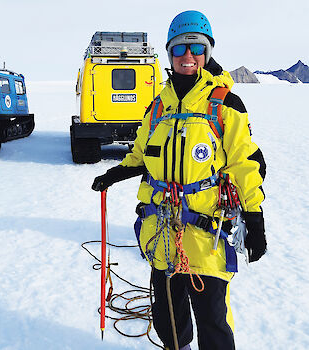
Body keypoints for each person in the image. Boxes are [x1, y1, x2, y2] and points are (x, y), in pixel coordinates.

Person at [92, 10, 267, 350]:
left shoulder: (226, 105)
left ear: (208, 53)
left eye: (197, 48)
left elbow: (245, 164)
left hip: (206, 238)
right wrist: (113, 173)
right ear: (170, 53)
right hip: (161, 235)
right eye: (180, 48)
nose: (188, 56)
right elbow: (141, 155)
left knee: (213, 321)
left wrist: (255, 219)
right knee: (168, 319)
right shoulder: (158, 108)